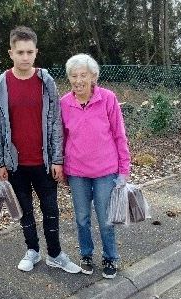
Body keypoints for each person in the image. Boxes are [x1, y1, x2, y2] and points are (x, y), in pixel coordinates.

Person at [0, 26, 81, 274]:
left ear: (36, 52)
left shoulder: (46, 81)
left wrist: (58, 159)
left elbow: (54, 122)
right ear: (11, 53)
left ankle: (55, 253)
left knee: (51, 209)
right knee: (24, 210)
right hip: (15, 164)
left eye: (30, 52)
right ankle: (32, 250)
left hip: (44, 161)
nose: (25, 57)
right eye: (20, 52)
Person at [60, 53, 131, 279]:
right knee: (81, 218)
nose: (78, 80)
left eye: (83, 75)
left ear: (93, 76)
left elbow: (120, 135)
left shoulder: (108, 98)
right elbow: (60, 138)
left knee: (105, 218)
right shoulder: (64, 103)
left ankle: (111, 257)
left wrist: (124, 169)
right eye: (74, 76)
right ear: (69, 78)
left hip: (105, 171)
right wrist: (60, 166)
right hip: (77, 171)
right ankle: (86, 254)